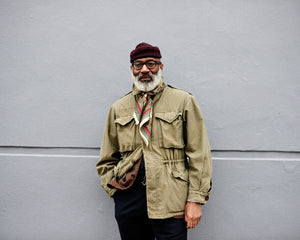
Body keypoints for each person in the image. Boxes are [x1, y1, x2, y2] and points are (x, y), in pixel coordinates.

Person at [96, 42, 212, 240]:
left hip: (171, 199)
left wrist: (195, 199)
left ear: (161, 66)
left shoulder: (183, 101)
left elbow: (199, 154)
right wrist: (116, 192)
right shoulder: (118, 108)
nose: (144, 70)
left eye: (151, 64)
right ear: (131, 69)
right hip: (130, 202)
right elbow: (106, 159)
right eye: (138, 64)